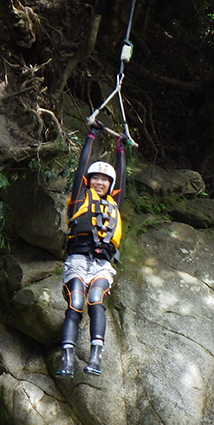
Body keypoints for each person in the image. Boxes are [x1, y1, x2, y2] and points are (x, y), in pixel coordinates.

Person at [56, 123, 127, 377]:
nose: (99, 182)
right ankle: (67, 359)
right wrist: (91, 137)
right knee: (76, 302)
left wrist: (121, 150)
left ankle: (96, 358)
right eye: (95, 178)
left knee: (95, 300)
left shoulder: (114, 204)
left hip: (102, 265)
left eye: (105, 180)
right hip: (77, 259)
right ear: (89, 180)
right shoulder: (79, 198)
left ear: (110, 185)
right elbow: (80, 170)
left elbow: (122, 179)